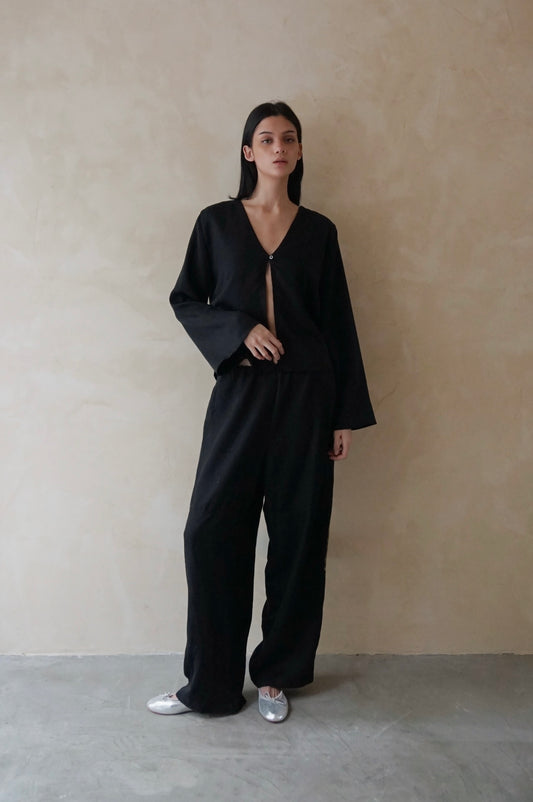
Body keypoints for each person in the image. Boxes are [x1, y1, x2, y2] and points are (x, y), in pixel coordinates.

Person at [147, 101, 376, 723]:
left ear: (298, 153)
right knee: (210, 531)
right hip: (241, 395)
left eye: (289, 139)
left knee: (299, 537)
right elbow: (186, 298)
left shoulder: (319, 232)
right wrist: (239, 329)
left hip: (308, 398)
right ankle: (209, 685)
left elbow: (338, 324)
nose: (279, 147)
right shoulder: (217, 223)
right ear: (249, 151)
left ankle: (276, 675)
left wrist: (343, 415)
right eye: (267, 138)